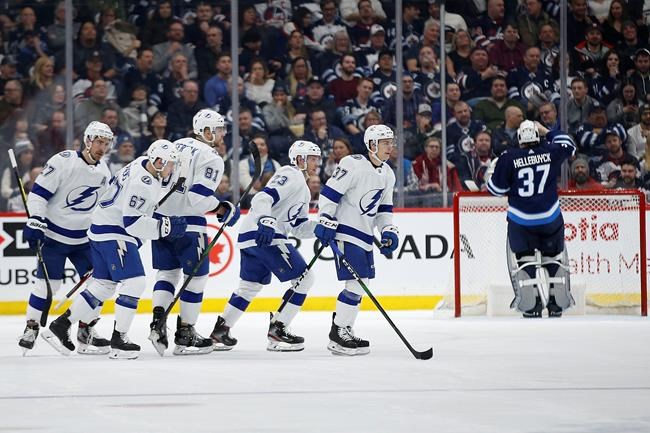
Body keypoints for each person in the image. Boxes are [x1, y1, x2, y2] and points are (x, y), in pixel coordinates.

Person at [41, 140, 187, 359]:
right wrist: (164, 228)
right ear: (158, 161)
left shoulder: (140, 163)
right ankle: (120, 339)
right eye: (170, 164)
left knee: (104, 285)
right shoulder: (144, 183)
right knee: (135, 282)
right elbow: (132, 222)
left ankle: (60, 326)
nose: (172, 169)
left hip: (100, 228)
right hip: (114, 232)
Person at [210, 140, 322, 351]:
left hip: (251, 235)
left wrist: (317, 229)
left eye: (318, 158)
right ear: (299, 159)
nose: (317, 163)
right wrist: (266, 220)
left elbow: (298, 227)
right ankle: (279, 329)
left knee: (249, 286)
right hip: (265, 235)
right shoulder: (291, 173)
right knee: (305, 279)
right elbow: (263, 196)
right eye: (313, 158)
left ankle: (220, 331)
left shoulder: (304, 190)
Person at [148, 109, 240, 356]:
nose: (222, 134)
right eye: (219, 129)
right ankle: (186, 333)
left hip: (160, 221)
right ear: (207, 132)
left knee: (167, 272)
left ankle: (158, 321)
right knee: (196, 277)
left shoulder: (175, 145)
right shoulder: (211, 156)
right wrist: (222, 207)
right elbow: (198, 198)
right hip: (188, 225)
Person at [18, 122, 114, 355]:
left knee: (101, 282)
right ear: (88, 140)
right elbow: (39, 194)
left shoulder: (104, 173)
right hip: (54, 237)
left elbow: (103, 208)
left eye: (106, 143)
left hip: (84, 240)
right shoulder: (63, 161)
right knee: (48, 285)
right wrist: (35, 221)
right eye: (99, 141)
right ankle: (31, 327)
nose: (102, 147)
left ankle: (85, 329)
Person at [314, 124, 399, 356]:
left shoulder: (388, 173)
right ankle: (338, 333)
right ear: (372, 145)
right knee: (356, 282)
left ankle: (345, 329)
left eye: (392, 142)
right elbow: (329, 194)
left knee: (362, 284)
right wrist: (324, 219)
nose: (390, 147)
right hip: (345, 230)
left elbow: (384, 209)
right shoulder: (352, 164)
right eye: (385, 142)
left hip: (365, 235)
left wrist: (388, 229)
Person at [487, 120, 577, 318]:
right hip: (550, 218)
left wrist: (492, 175)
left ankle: (531, 305)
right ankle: (557, 304)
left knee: (525, 261)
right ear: (538, 136)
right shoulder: (551, 151)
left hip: (521, 221)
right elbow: (569, 144)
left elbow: (496, 189)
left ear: (519, 138)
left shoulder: (508, 157)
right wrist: (547, 131)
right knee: (553, 258)